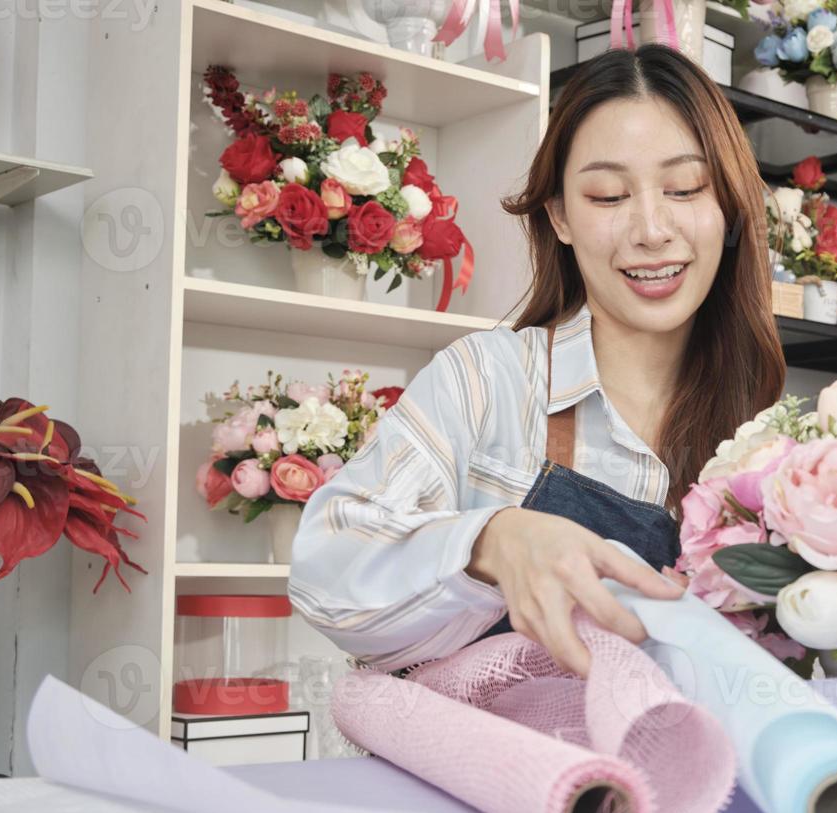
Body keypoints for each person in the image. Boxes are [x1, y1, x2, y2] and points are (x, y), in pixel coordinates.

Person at [288, 45, 787, 677]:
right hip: (498, 772)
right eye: (608, 196)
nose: (652, 229)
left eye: (685, 188)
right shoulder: (491, 381)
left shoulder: (768, 434)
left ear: (730, 208)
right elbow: (325, 575)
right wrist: (492, 541)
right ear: (560, 217)